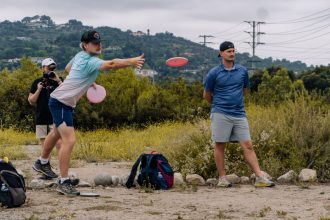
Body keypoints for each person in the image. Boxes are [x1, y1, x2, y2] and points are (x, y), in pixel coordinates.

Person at [33, 30, 145, 196]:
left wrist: (86, 80)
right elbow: (112, 64)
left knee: (56, 132)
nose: (98, 45)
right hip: (61, 103)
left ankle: (42, 162)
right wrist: (131, 61)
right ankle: (63, 182)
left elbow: (69, 68)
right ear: (85, 45)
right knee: (69, 140)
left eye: (99, 42)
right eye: (94, 43)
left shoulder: (79, 56)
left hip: (62, 102)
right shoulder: (91, 61)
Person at [203, 41, 275, 188]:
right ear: (221, 53)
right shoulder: (213, 73)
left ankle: (259, 177)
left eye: (233, 51)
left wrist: (235, 103)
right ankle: (222, 178)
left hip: (239, 113)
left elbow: (245, 90)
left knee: (248, 145)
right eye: (229, 51)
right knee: (220, 145)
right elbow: (207, 95)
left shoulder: (242, 71)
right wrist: (219, 105)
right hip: (220, 113)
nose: (232, 53)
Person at [29, 58, 62, 179]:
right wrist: (39, 89)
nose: (50, 70)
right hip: (42, 117)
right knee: (45, 145)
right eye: (48, 67)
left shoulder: (59, 81)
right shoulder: (37, 82)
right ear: (43, 68)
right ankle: (46, 169)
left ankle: (63, 169)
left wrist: (58, 81)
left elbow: (67, 94)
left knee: (59, 143)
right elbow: (31, 101)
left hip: (56, 117)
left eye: (53, 67)